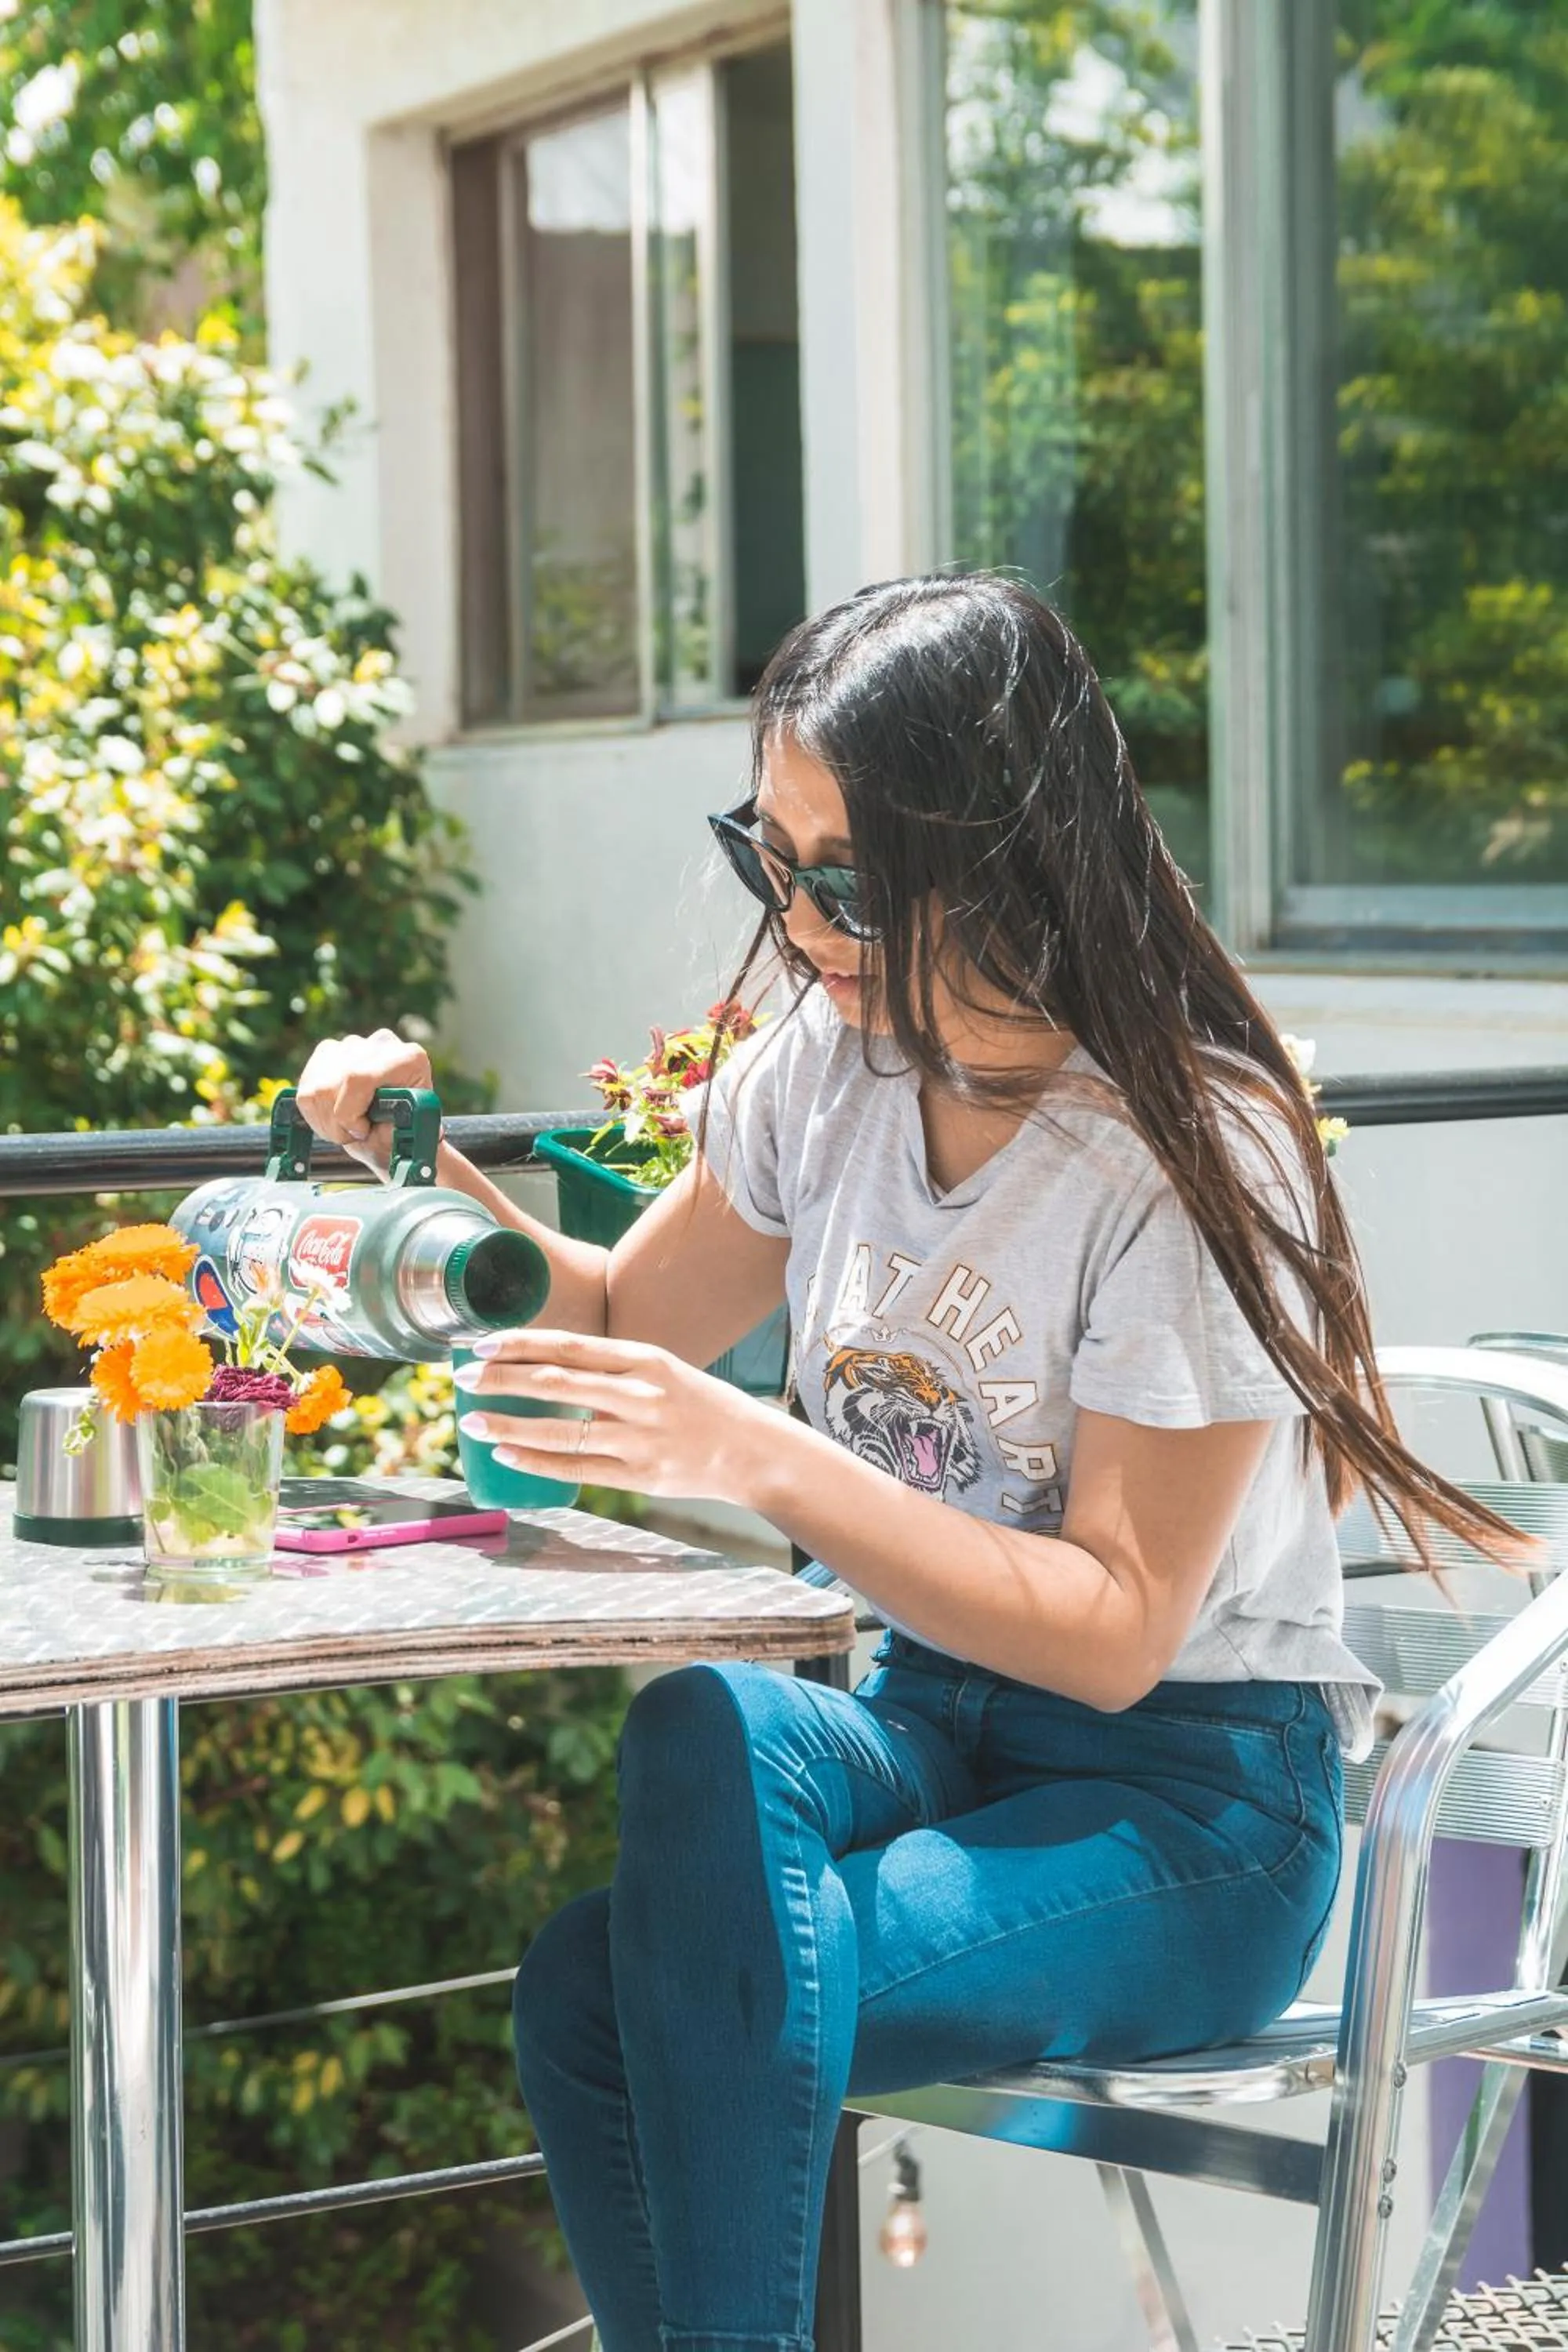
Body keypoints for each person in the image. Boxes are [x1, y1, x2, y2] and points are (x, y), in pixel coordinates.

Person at [296, 575, 1518, 2352]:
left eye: (847, 877)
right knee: (693, 1745)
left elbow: (1113, 1627)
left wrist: (771, 1461)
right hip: (930, 1729)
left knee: (603, 1994)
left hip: (1183, 1806)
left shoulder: (1187, 1146)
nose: (799, 922)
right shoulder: (835, 1063)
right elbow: (628, 1319)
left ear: (1009, 851)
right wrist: (414, 1189)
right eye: (767, 861)